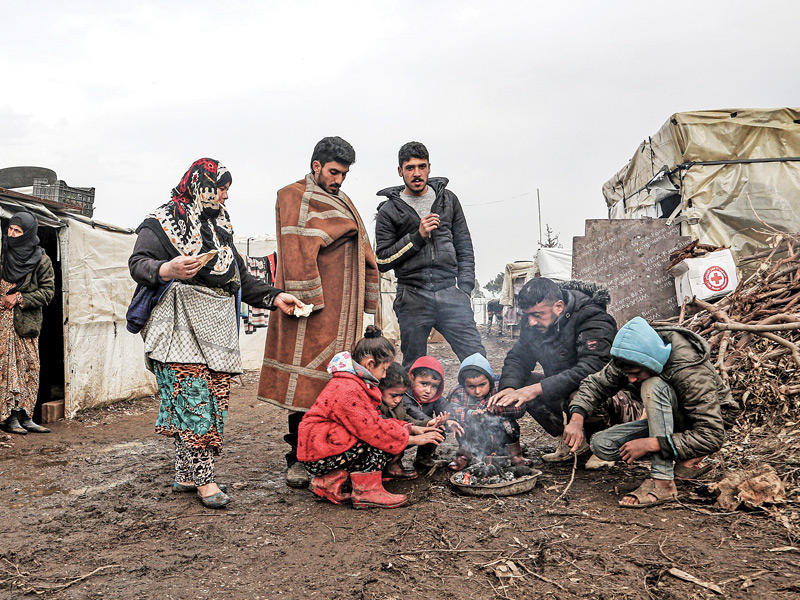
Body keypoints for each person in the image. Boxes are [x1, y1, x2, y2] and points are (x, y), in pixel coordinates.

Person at [129, 158, 303, 509]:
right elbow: (138, 263)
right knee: (194, 401)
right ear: (201, 185)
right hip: (178, 325)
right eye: (221, 188)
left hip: (217, 328)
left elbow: (238, 275)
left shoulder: (220, 224)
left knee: (211, 398)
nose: (225, 196)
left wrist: (273, 296)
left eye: (226, 189)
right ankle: (205, 480)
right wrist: (167, 268)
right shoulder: (162, 221)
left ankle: (185, 473)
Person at [259, 137, 380, 490]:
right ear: (316, 166)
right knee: (306, 386)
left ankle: (329, 455)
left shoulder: (344, 200)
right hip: (309, 310)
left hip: (343, 311)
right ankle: (298, 458)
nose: (339, 180)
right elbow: (296, 248)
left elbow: (362, 245)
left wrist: (367, 301)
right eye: (334, 172)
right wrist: (306, 300)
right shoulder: (292, 195)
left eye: (344, 174)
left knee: (336, 384)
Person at [565, 317, 732, 507]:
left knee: (652, 385)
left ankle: (663, 482)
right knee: (602, 444)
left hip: (707, 422)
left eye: (636, 373)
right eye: (628, 374)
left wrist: (652, 444)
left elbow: (712, 434)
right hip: (668, 419)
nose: (631, 380)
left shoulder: (690, 370)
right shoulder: (634, 355)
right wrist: (576, 419)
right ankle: (683, 457)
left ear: (652, 361)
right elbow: (596, 384)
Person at [297, 327, 444, 509]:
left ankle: (328, 483)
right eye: (384, 369)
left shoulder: (354, 383)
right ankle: (367, 491)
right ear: (370, 364)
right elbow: (373, 431)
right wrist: (413, 439)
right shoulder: (348, 389)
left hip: (323, 449)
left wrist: (410, 428)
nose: (384, 375)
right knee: (378, 441)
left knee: (383, 435)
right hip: (320, 455)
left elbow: (375, 420)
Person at [375, 141, 485, 371]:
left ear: (429, 168)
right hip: (412, 295)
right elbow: (382, 260)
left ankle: (481, 395)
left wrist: (465, 288)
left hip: (450, 291)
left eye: (421, 166)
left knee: (476, 358)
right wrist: (417, 236)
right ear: (400, 171)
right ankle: (415, 397)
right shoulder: (388, 211)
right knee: (414, 367)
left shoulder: (448, 200)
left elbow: (464, 245)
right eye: (410, 168)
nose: (416, 173)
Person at [488, 278, 617, 462]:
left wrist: (537, 388)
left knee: (579, 390)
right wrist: (509, 387)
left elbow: (593, 368)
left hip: (609, 394)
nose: (531, 322)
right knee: (521, 386)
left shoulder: (592, 317)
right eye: (527, 315)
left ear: (559, 306)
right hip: (562, 388)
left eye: (537, 315)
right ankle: (572, 441)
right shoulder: (533, 323)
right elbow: (518, 358)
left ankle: (603, 444)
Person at [0, 211, 55, 435]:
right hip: (3, 322)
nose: (12, 234)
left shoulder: (41, 260)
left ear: (28, 234)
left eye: (18, 231)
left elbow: (48, 292)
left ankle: (25, 415)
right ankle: (9, 416)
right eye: (10, 229)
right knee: (7, 368)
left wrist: (20, 297)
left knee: (29, 368)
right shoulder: (2, 253)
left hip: (25, 323)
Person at [446, 353, 530, 471]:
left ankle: (515, 455)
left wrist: (498, 409)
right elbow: (451, 410)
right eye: (471, 386)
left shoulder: (500, 387)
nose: (477, 391)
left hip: (500, 435)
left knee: (510, 426)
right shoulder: (458, 392)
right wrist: (470, 413)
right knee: (463, 427)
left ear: (490, 380)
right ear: (463, 384)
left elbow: (519, 408)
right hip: (474, 438)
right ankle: (463, 456)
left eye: (482, 385)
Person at [401, 356, 464, 470]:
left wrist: (450, 419)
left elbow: (444, 405)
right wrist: (431, 422)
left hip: (422, 429)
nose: (428, 391)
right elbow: (412, 410)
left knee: (438, 430)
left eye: (434, 386)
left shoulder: (434, 398)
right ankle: (393, 463)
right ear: (412, 378)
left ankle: (423, 458)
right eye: (424, 384)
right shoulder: (404, 394)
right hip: (402, 431)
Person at [378, 362, 426, 481]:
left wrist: (426, 424)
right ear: (380, 389)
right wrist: (413, 437)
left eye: (401, 395)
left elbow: (406, 419)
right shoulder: (376, 405)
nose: (398, 400)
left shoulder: (397, 405)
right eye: (394, 395)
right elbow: (382, 429)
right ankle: (382, 470)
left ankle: (393, 465)